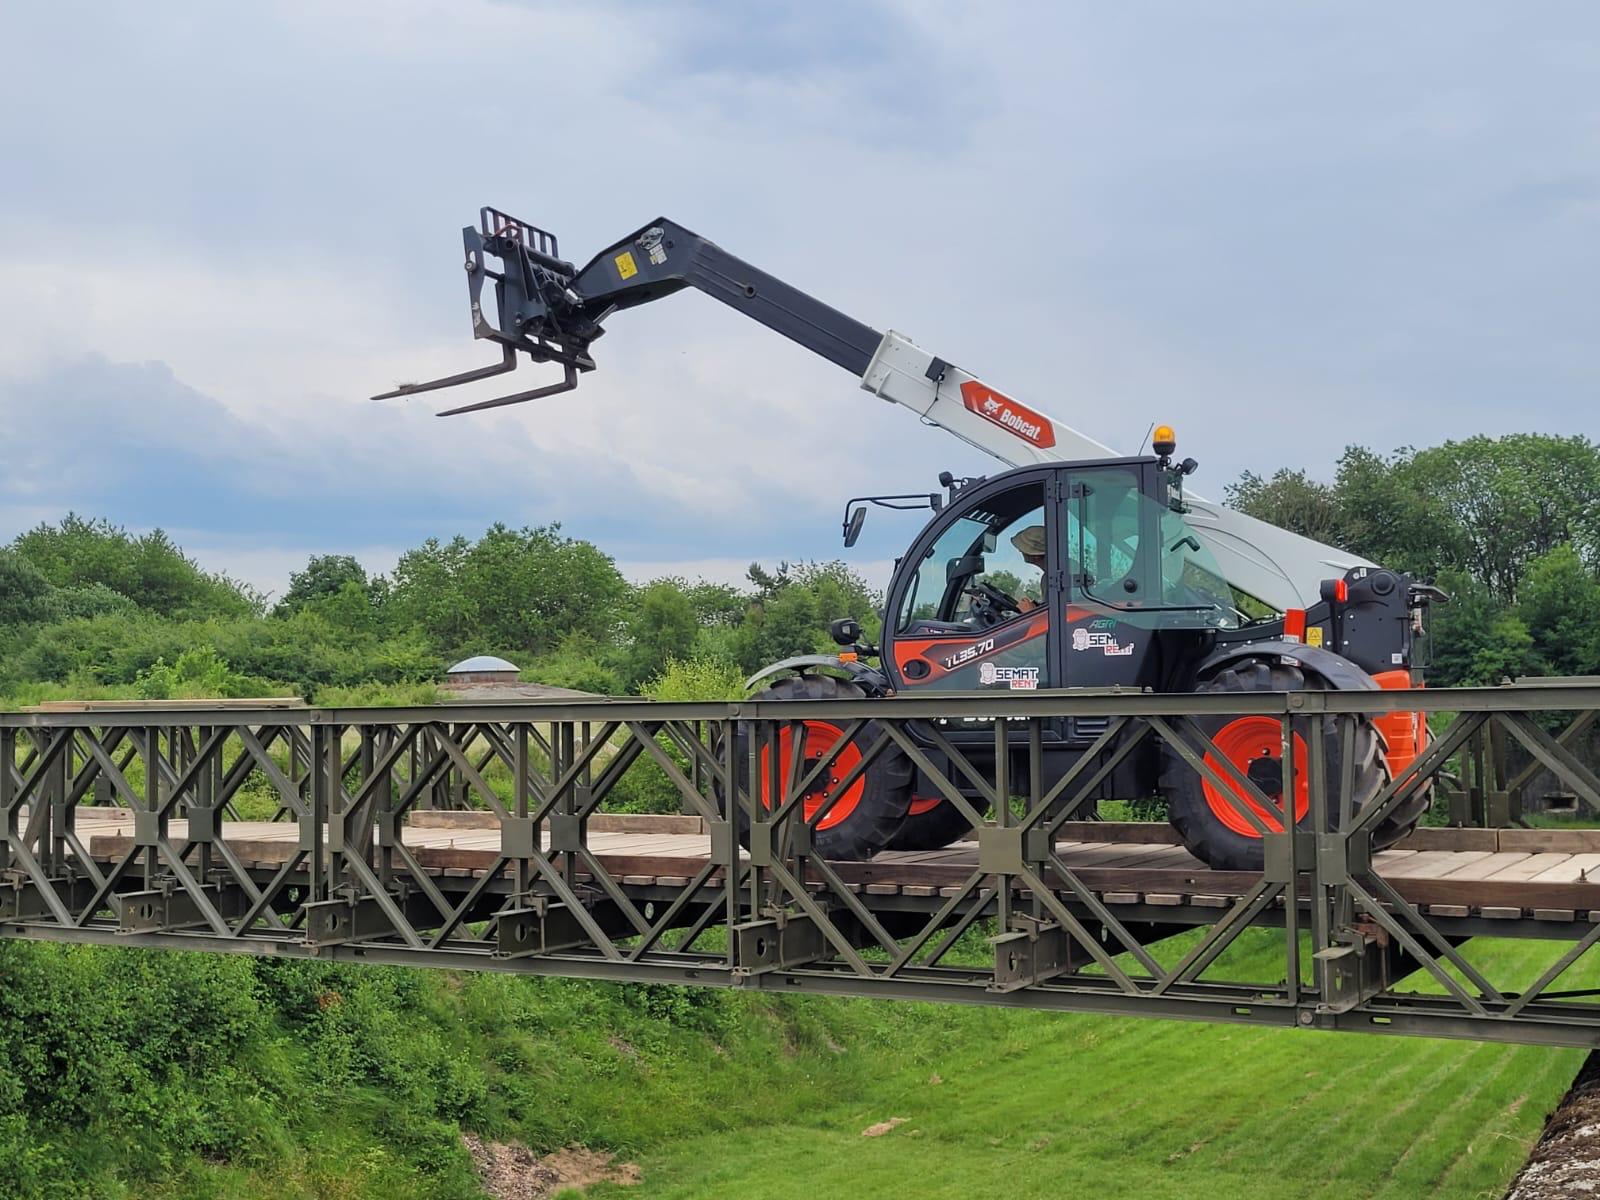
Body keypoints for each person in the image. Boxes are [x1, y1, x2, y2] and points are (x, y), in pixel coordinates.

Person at [1009, 525, 1046, 612]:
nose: (1020, 551)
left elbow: (1055, 617)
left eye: (1023, 549)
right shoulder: (1052, 576)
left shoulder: (1055, 578)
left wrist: (1030, 611)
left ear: (1036, 555)